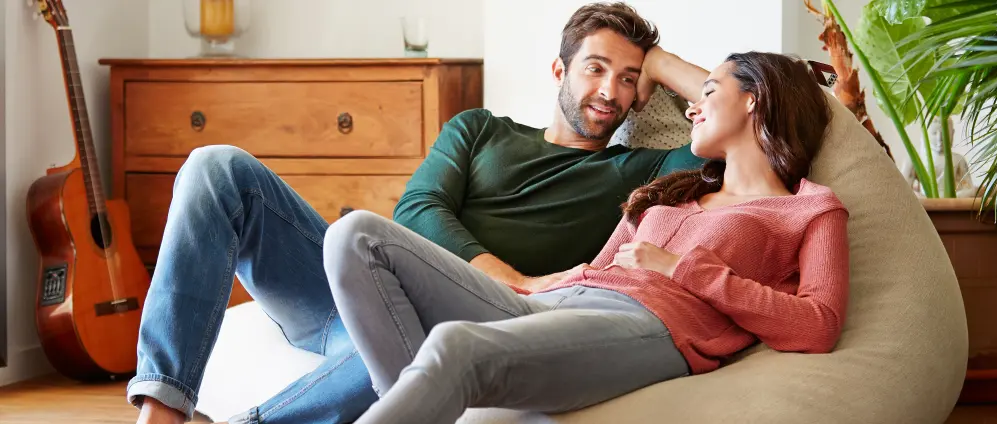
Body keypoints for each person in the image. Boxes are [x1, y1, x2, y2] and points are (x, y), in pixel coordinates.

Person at [132, 3, 709, 424]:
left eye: (628, 80)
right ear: (559, 71)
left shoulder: (641, 172)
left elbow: (738, 121)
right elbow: (416, 210)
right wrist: (513, 278)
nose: (609, 90)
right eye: (596, 67)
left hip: (433, 317)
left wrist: (659, 60)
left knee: (420, 337)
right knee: (216, 166)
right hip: (340, 281)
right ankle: (161, 408)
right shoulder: (480, 128)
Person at [325, 51, 850, 423]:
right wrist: (537, 286)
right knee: (356, 235)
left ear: (754, 100)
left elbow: (818, 325)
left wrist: (683, 269)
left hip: (653, 327)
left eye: (708, 93)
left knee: (455, 345)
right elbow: (601, 267)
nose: (693, 106)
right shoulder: (668, 190)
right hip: (562, 303)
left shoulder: (808, 208)